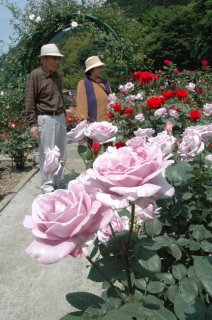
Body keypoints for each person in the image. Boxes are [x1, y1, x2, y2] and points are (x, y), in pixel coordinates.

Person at [25, 43, 67, 194]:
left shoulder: (56, 75)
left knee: (61, 152)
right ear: (44, 59)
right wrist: (32, 123)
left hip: (60, 116)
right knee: (48, 153)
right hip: (46, 118)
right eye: (54, 59)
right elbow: (30, 100)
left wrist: (64, 116)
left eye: (59, 59)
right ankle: (47, 185)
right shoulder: (35, 75)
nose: (57, 62)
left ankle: (60, 181)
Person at [77, 56, 112, 148]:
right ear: (91, 70)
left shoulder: (106, 83)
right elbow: (81, 104)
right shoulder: (84, 83)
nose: (101, 69)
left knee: (108, 149)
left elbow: (111, 101)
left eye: (101, 67)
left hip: (107, 124)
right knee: (94, 151)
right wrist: (86, 122)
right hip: (93, 125)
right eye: (98, 67)